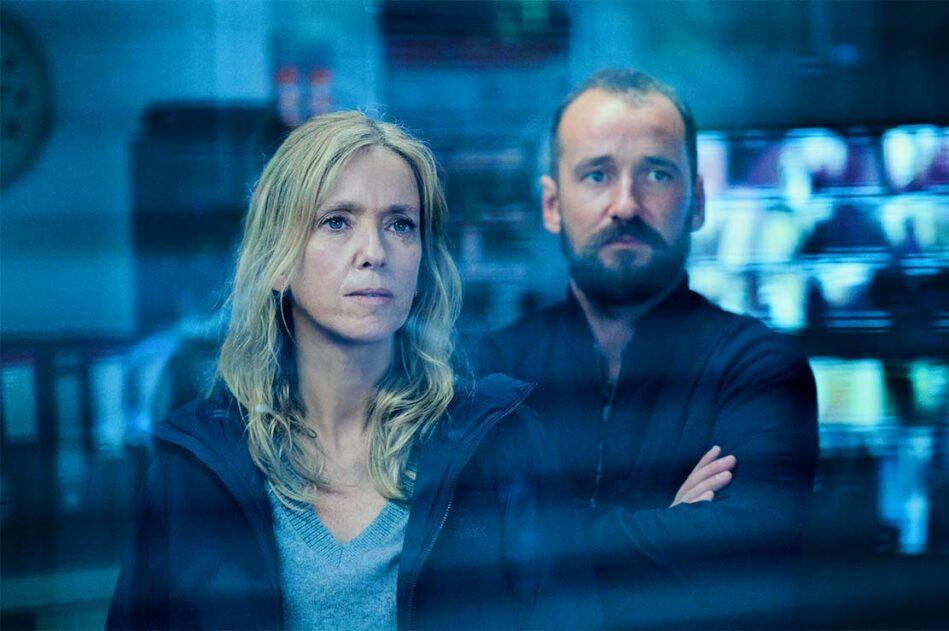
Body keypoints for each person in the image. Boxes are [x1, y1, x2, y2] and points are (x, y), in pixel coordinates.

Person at [107, 112, 601, 630]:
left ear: (422, 263)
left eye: (400, 224)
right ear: (278, 261)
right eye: (337, 222)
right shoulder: (192, 469)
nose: (374, 253)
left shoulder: (501, 446)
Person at [478, 69, 819, 628]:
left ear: (698, 201)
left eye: (657, 174)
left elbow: (744, 551)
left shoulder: (760, 369)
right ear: (552, 204)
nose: (626, 205)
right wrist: (673, 525)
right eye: (596, 175)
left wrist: (538, 530)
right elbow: (468, 549)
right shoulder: (492, 374)